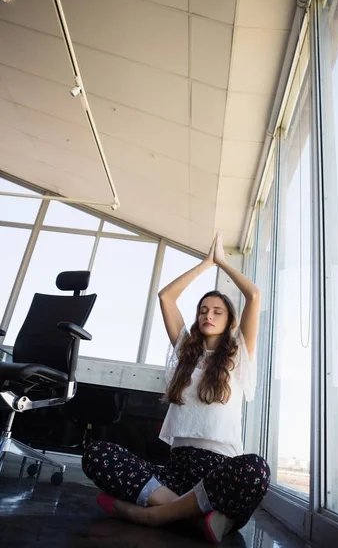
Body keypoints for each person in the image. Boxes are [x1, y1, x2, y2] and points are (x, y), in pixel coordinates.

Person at [82, 232, 270, 544]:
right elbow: (166, 296)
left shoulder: (238, 356)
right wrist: (205, 264)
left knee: (255, 470)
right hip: (175, 473)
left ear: (229, 321)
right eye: (203, 310)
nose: (208, 315)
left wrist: (222, 262)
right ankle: (197, 519)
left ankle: (151, 514)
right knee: (97, 455)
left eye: (217, 311)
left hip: (218, 474)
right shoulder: (186, 351)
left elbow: (253, 296)